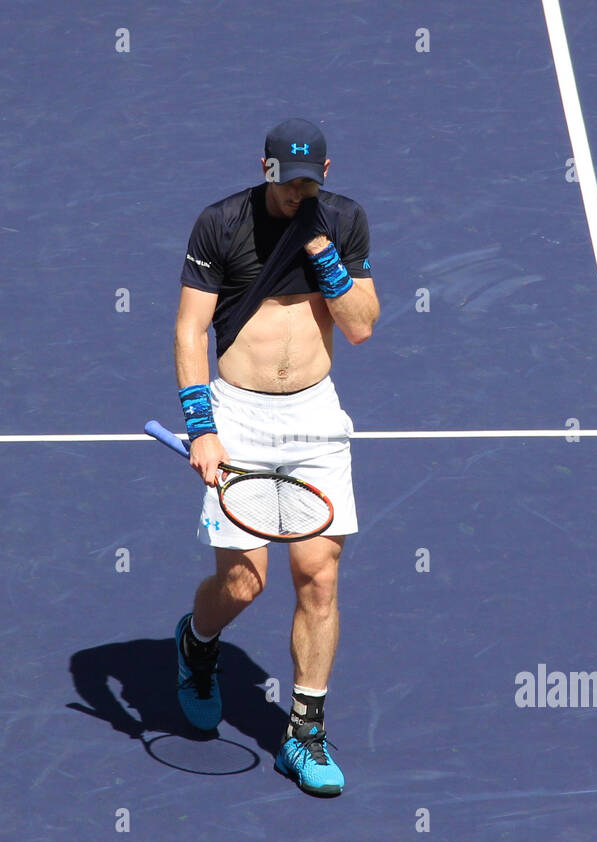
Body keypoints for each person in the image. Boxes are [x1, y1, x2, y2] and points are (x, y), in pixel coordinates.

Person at [172, 118, 379, 796]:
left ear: (325, 172)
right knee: (243, 585)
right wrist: (202, 426)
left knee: (318, 577)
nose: (297, 193)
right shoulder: (221, 224)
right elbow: (190, 328)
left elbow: (360, 328)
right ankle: (198, 643)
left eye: (308, 183)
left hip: (315, 415)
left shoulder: (342, 221)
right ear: (263, 169)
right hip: (239, 413)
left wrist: (320, 248)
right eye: (287, 183)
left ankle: (303, 733)